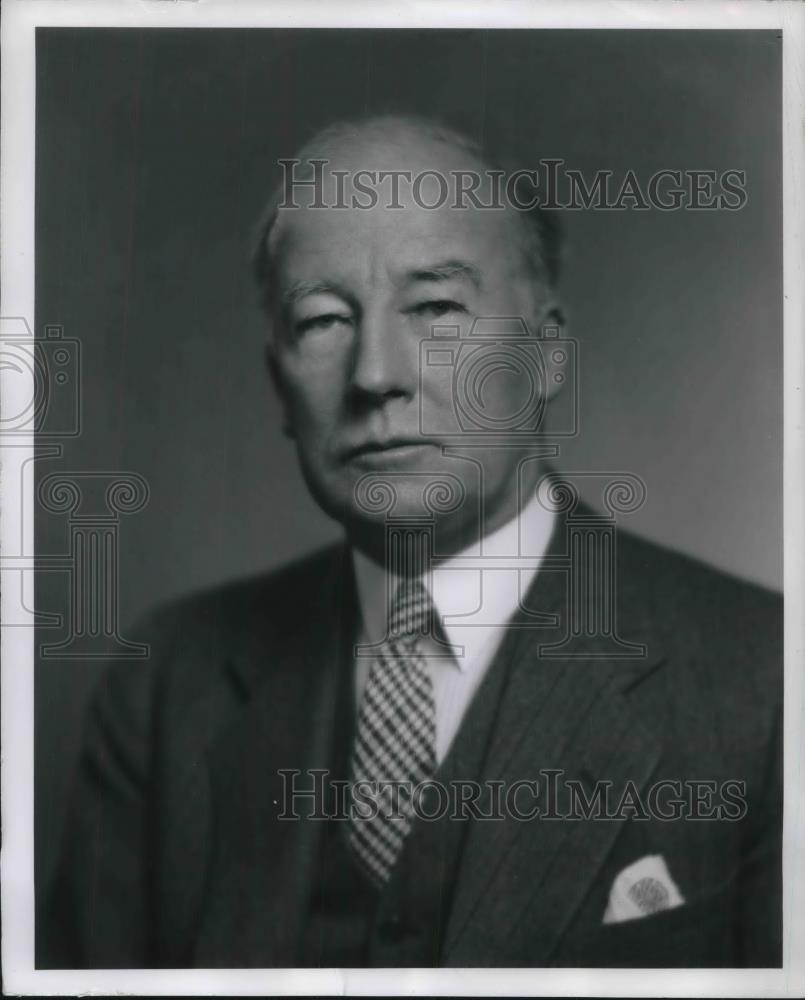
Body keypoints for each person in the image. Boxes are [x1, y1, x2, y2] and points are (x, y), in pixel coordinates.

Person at [44, 115, 782, 969]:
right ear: (277, 386)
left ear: (545, 354)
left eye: (434, 306)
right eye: (322, 320)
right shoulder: (164, 684)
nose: (373, 376)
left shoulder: (765, 683)